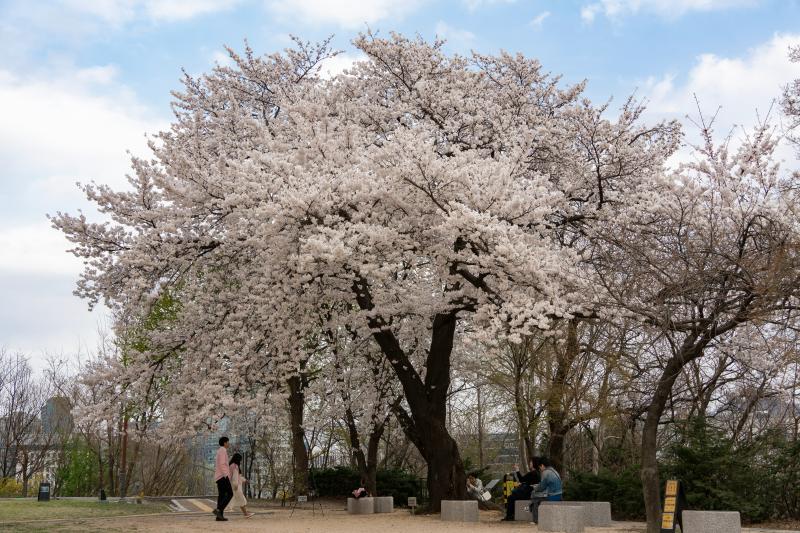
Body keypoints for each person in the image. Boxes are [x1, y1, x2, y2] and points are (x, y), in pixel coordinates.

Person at [528, 457, 563, 524]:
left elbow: (542, 487)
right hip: (559, 495)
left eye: (540, 467)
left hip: (553, 496)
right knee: (538, 496)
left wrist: (535, 488)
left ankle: (536, 520)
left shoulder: (545, 472)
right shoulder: (554, 470)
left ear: (542, 465)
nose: (540, 469)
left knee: (534, 498)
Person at [225, 453, 254, 518]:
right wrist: (235, 485)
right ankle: (246, 514)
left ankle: (246, 514)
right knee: (240, 499)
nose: (240, 461)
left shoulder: (232, 466)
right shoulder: (235, 466)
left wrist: (245, 480)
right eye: (240, 460)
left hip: (234, 485)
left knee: (238, 499)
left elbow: (237, 477)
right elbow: (235, 477)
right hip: (235, 486)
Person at [213, 436, 233, 521]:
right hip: (222, 476)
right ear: (224, 443)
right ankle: (218, 510)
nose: (229, 444)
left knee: (221, 495)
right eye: (228, 442)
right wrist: (226, 475)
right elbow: (222, 464)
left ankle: (219, 516)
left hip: (219, 476)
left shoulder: (220, 451)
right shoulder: (222, 450)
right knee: (230, 493)